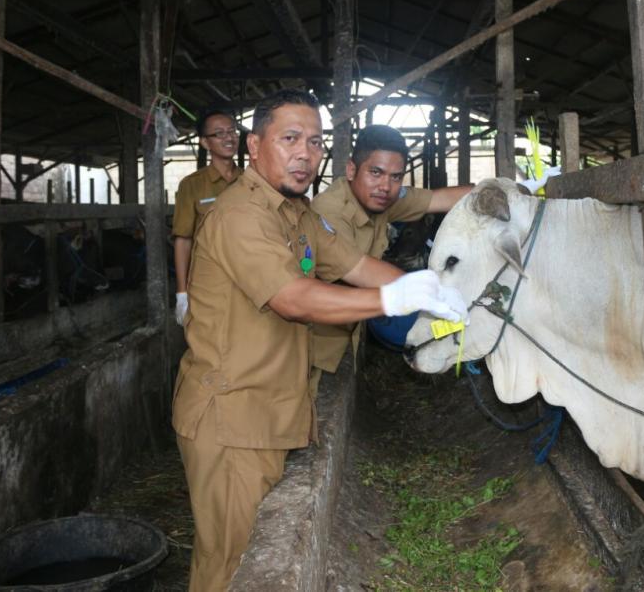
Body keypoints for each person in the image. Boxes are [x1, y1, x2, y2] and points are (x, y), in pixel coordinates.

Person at [171, 89, 466, 592]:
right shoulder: (240, 215)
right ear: (254, 145)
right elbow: (293, 298)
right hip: (232, 417)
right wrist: (391, 301)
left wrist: (426, 288)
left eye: (315, 141)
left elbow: (352, 265)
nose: (305, 153)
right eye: (290, 139)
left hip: (271, 408)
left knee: (249, 555)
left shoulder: (298, 213)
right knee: (230, 565)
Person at [309, 124, 473, 387]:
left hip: (345, 332)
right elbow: (359, 269)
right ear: (352, 170)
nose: (385, 186)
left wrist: (509, 190)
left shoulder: (380, 198)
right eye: (376, 172)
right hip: (314, 341)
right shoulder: (330, 210)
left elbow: (439, 199)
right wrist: (433, 290)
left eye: (396, 177)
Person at [172, 110, 242, 326]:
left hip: (248, 282)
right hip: (209, 285)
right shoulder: (192, 185)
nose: (229, 137)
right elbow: (183, 239)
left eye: (232, 131)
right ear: (205, 142)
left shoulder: (252, 182)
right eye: (219, 133)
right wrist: (182, 293)